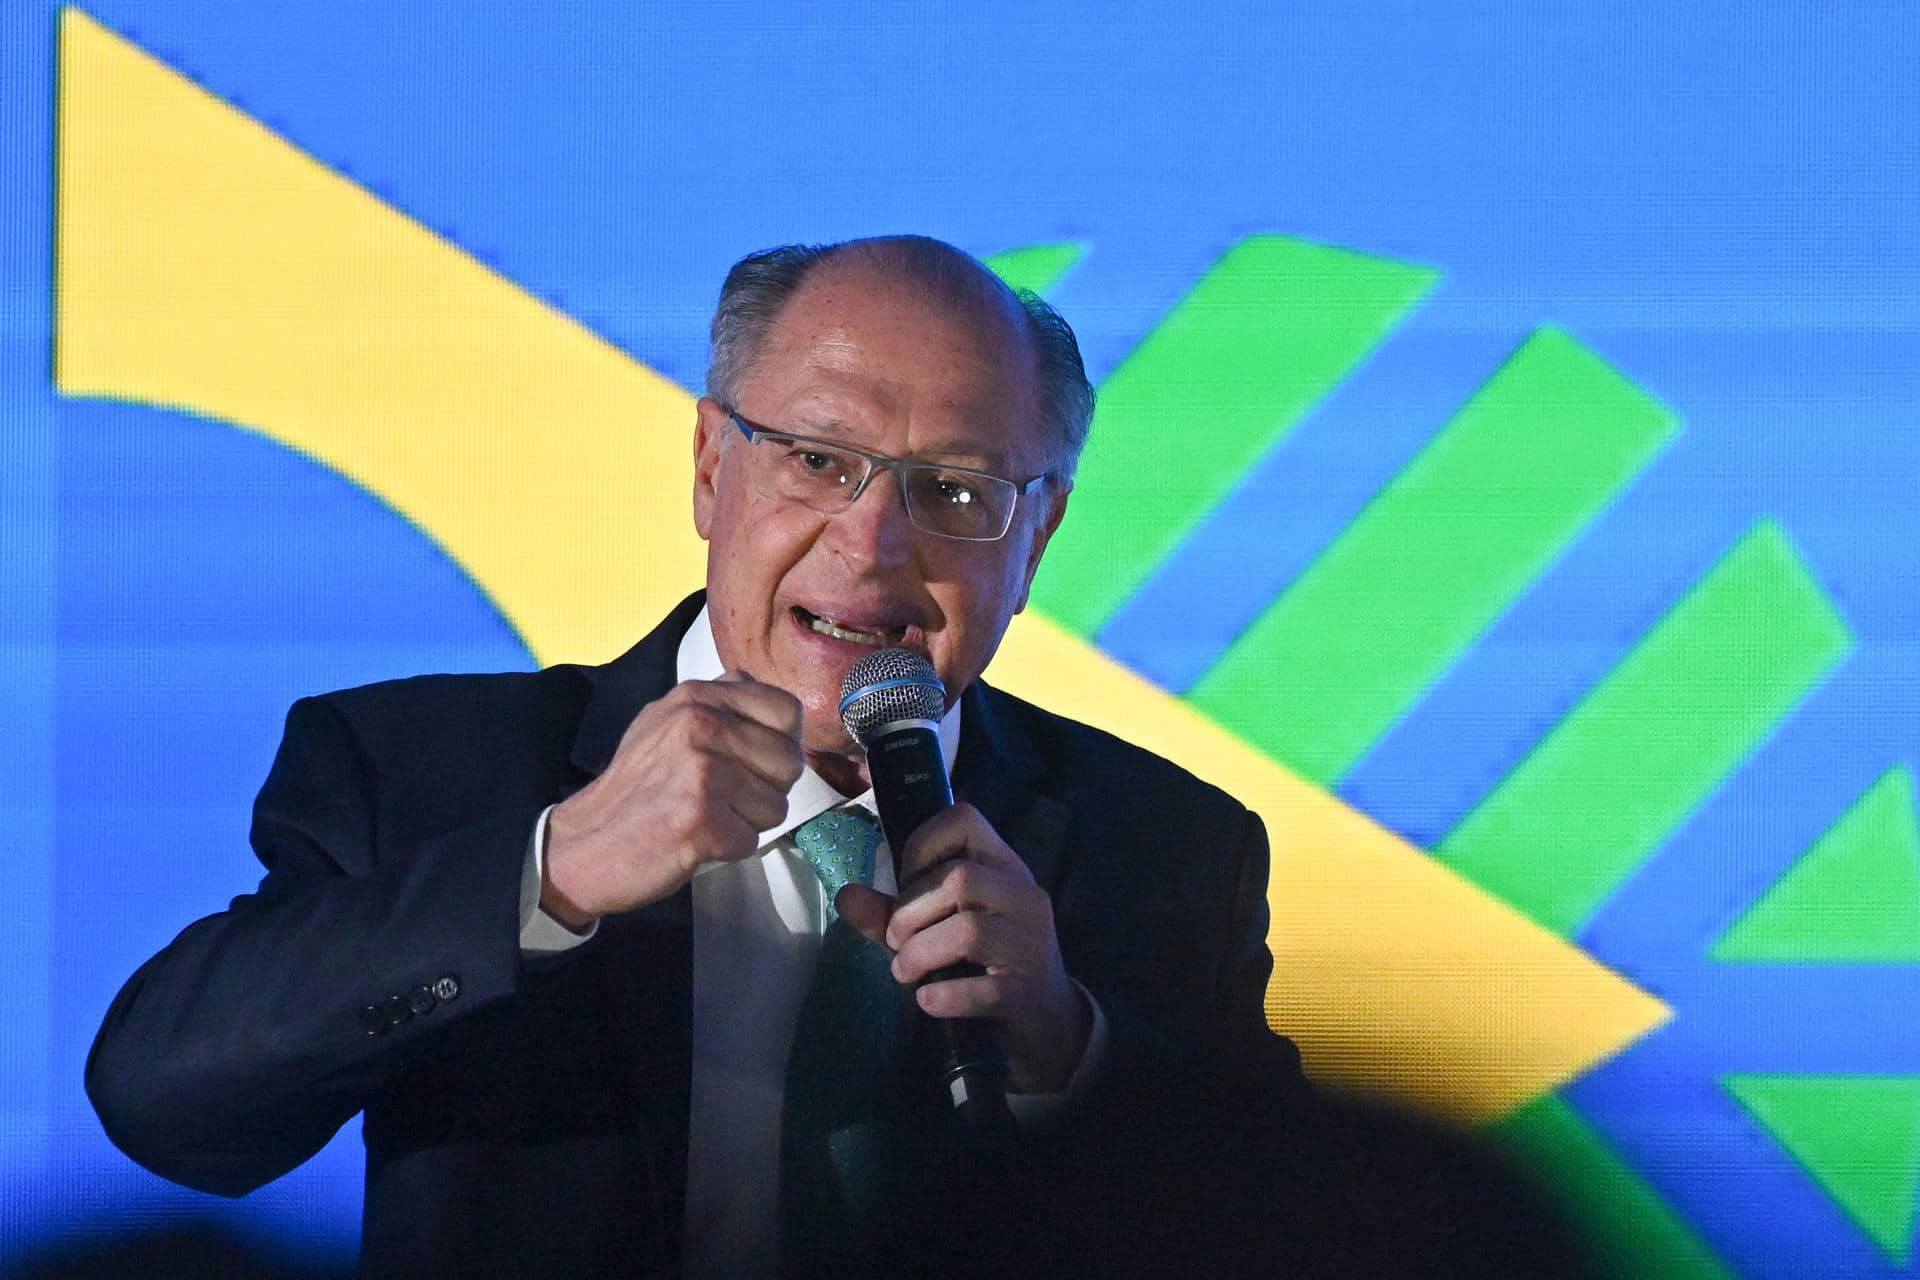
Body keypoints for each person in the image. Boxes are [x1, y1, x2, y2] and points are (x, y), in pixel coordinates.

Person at [86, 236, 1294, 1277]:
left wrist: (1061, 1044)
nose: (872, 544)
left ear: (1037, 536)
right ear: (714, 465)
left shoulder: (1171, 847)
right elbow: (166, 1105)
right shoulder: (420, 767)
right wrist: (548, 871)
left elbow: (1298, 1229)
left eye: (955, 489)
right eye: (818, 459)